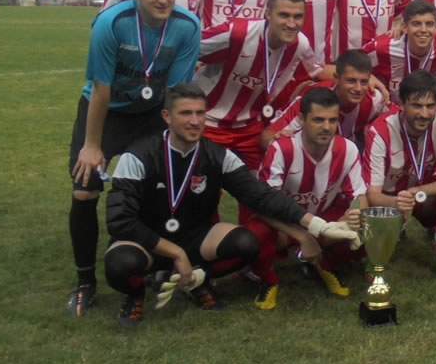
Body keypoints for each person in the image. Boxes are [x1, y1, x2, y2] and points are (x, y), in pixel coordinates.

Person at [103, 84, 344, 327]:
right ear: (167, 116)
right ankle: (135, 294)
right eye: (186, 113)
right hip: (148, 239)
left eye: (200, 114)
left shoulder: (218, 155)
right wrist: (175, 253)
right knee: (120, 264)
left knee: (247, 243)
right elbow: (120, 221)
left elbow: (260, 196)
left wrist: (314, 224)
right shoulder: (137, 156)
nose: (195, 121)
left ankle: (196, 280)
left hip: (194, 237)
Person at [65, 0, 202, 316]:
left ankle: (153, 268)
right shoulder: (111, 23)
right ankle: (85, 282)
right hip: (105, 112)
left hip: (151, 115)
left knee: (155, 191)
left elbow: (175, 91)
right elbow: (100, 89)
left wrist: (175, 142)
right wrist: (93, 146)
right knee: (85, 187)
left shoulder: (187, 26)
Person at [248, 88, 367, 309]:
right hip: (286, 223)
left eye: (332, 120)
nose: (326, 127)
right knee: (256, 234)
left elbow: (359, 196)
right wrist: (303, 236)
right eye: (318, 120)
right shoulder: (282, 148)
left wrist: (354, 214)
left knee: (366, 223)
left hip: (323, 218)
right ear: (301, 119)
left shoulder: (347, 149)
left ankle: (323, 264)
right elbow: (263, 205)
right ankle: (268, 279)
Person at [194, 0, 323, 171]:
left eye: (298, 17)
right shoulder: (237, 33)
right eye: (284, 15)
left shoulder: (300, 44)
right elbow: (188, 48)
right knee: (203, 189)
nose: (292, 24)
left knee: (262, 189)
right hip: (209, 121)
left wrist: (364, 77)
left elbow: (317, 71)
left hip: (251, 127)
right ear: (268, 14)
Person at [364, 71, 436, 285]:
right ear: (402, 104)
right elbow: (373, 194)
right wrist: (397, 203)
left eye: (430, 106)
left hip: (423, 194)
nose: (424, 114)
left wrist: (419, 192)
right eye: (416, 106)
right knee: (362, 209)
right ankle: (377, 255)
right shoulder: (380, 131)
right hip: (390, 200)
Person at [262, 49, 387, 151]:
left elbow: (399, 118)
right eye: (351, 81)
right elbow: (265, 137)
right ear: (336, 79)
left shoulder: (374, 98)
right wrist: (286, 147)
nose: (358, 88)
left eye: (364, 81)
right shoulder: (312, 100)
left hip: (344, 153)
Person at [364, 0, 436, 101]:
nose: (423, 30)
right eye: (416, 24)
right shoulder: (382, 47)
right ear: (404, 27)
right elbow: (350, 61)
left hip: (425, 112)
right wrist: (368, 77)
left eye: (429, 24)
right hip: (389, 111)